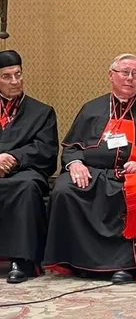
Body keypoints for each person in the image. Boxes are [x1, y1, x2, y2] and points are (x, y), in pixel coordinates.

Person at [43, 54, 136, 284]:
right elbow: (71, 147)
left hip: (135, 174)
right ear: (111, 75)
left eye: (135, 74)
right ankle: (77, 260)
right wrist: (75, 163)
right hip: (94, 173)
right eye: (124, 72)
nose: (130, 78)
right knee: (64, 188)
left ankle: (130, 266)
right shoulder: (92, 108)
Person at [0, 50, 58, 283]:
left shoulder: (42, 112)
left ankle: (22, 261)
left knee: (25, 187)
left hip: (24, 171)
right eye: (7, 76)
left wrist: (12, 158)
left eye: (18, 74)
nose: (15, 81)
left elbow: (46, 150)